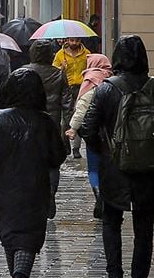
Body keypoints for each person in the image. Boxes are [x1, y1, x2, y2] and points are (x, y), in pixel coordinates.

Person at [80, 35, 154, 278]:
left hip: (113, 167)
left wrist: (104, 151)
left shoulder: (106, 89)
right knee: (144, 229)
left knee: (111, 221)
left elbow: (87, 128)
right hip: (147, 168)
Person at [0, 68, 67, 278]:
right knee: (28, 238)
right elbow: (58, 155)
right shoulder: (45, 121)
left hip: (4, 188)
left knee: (10, 236)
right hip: (35, 188)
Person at [24, 39, 68, 216]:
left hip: (27, 123)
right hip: (52, 122)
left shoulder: (23, 72)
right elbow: (67, 102)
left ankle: (33, 195)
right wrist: (68, 127)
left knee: (29, 160)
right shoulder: (58, 74)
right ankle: (50, 193)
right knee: (52, 162)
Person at [66, 54, 113, 219]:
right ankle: (107, 196)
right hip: (110, 133)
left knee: (93, 167)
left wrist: (73, 127)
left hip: (93, 133)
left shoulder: (91, 79)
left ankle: (98, 193)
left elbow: (82, 107)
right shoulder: (111, 80)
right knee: (107, 165)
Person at [53, 37, 91, 158]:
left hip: (81, 87)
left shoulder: (87, 54)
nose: (74, 43)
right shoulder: (60, 54)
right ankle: (66, 146)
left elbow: (90, 69)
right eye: (72, 40)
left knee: (79, 116)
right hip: (66, 88)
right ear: (67, 41)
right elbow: (54, 71)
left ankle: (76, 148)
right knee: (66, 119)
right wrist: (62, 68)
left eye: (77, 41)